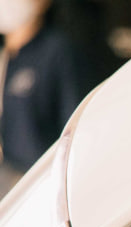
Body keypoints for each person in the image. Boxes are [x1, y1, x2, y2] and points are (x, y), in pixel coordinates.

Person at [0, 0, 91, 196]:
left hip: (39, 185)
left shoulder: (57, 52)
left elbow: (73, 126)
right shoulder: (8, 59)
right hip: (7, 182)